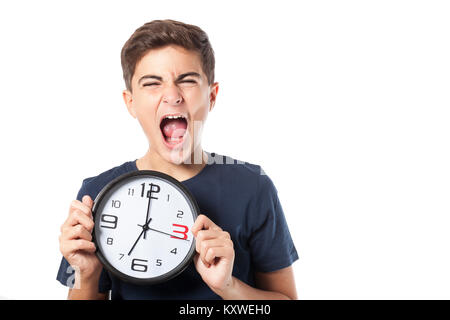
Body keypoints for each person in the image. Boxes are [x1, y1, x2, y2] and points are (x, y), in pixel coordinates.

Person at [57, 19, 298, 300]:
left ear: (212, 95)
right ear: (130, 102)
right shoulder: (97, 193)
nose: (172, 96)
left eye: (187, 80)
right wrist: (84, 277)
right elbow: (78, 285)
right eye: (152, 83)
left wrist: (227, 286)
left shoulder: (253, 186)